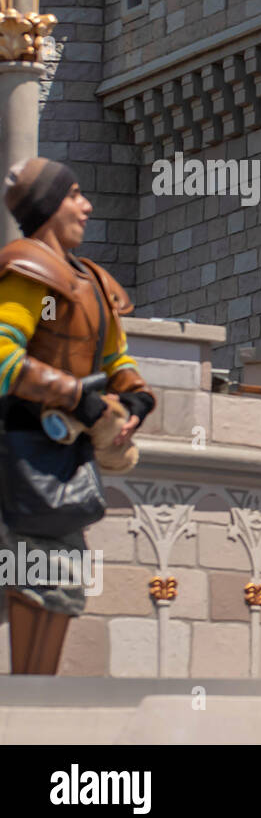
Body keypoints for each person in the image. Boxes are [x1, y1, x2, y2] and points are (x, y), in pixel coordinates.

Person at [0, 158, 154, 674]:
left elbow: (115, 358)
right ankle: (23, 706)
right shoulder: (30, 272)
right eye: (74, 195)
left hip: (66, 463)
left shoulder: (91, 282)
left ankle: (37, 703)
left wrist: (134, 397)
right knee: (31, 579)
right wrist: (74, 396)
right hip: (19, 453)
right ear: (48, 206)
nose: (86, 206)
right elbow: (5, 356)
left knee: (62, 586)